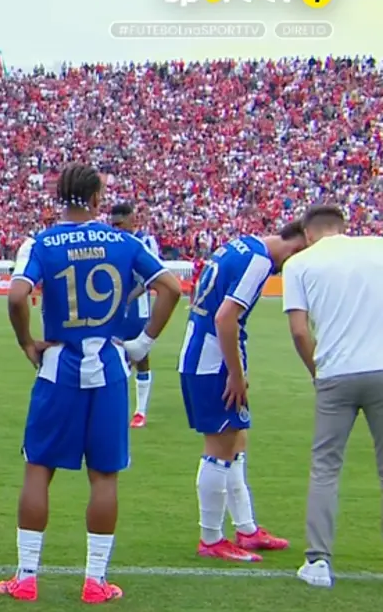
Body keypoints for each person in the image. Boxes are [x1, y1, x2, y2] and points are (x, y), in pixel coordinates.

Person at [0, 163, 181, 604]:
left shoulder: (41, 242)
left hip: (59, 366)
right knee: (104, 476)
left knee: (39, 468)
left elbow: (17, 295)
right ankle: (95, 581)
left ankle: (25, 577)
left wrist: (27, 343)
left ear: (59, 197)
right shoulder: (124, 241)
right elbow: (171, 288)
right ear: (97, 199)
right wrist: (141, 344)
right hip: (111, 370)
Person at [179, 221, 306, 562]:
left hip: (203, 354)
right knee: (219, 446)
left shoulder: (240, 245)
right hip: (213, 362)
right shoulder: (260, 261)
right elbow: (225, 318)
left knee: (236, 441)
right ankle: (211, 538)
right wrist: (235, 373)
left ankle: (246, 529)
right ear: (297, 247)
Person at [281, 205, 383, 587]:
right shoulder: (377, 248)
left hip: (336, 372)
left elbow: (299, 331)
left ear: (308, 234)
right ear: (344, 228)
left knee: (326, 467)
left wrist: (316, 371)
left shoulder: (301, 264)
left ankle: (318, 561)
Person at [109, 203, 161, 429]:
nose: (117, 229)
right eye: (113, 225)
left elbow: (151, 278)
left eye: (120, 224)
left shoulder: (145, 242)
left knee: (141, 359)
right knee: (116, 357)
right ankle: (116, 407)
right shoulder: (111, 243)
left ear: (132, 220)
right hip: (115, 312)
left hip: (138, 310)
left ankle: (140, 411)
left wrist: (127, 298)